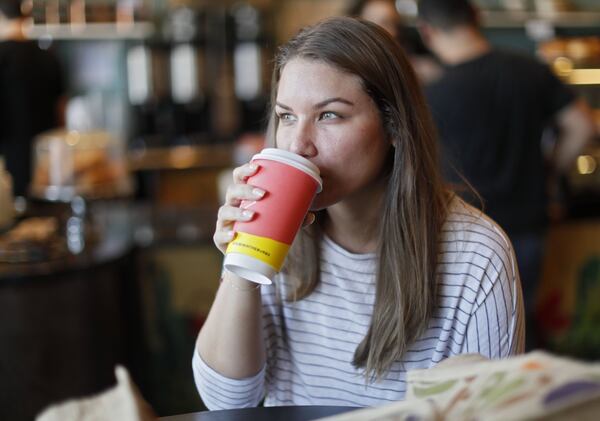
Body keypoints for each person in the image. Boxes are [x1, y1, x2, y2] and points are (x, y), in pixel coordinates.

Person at [193, 17, 524, 409]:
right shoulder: (275, 235)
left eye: (329, 115)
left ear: (395, 126)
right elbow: (226, 403)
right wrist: (240, 268)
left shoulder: (476, 255)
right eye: (286, 116)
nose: (299, 144)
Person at [417, 0, 595, 350]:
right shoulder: (529, 70)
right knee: (520, 327)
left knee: (466, 341)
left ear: (427, 31)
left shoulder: (433, 93)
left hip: (463, 233)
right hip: (528, 220)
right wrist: (551, 166)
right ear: (477, 18)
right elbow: (582, 126)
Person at [0, 0, 65, 197]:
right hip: (46, 167)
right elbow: (61, 113)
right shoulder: (49, 57)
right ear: (28, 15)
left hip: (7, 165)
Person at [347, 0, 442, 84]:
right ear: (359, 25)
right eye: (384, 22)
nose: (393, 31)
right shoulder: (350, 67)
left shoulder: (403, 50)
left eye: (394, 23)